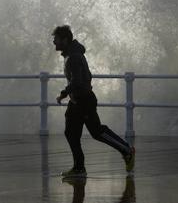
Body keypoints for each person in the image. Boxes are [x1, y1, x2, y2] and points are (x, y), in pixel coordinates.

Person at [52, 25, 135, 177]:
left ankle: (127, 150)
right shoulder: (72, 54)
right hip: (77, 100)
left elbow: (77, 80)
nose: (54, 42)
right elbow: (86, 76)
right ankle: (79, 168)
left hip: (83, 100)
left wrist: (64, 93)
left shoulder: (74, 57)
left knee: (96, 132)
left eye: (56, 39)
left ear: (64, 39)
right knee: (71, 132)